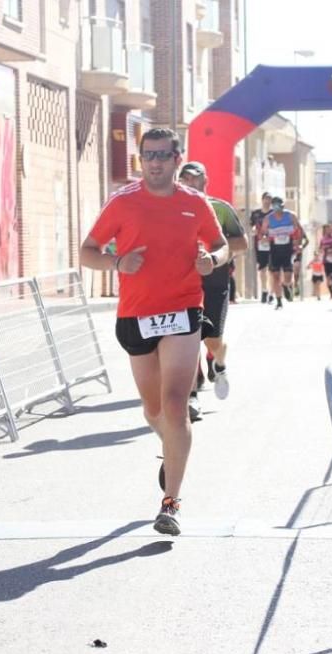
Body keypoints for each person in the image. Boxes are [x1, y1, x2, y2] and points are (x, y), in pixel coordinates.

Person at [79, 128, 227, 537]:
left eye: (163, 155)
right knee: (153, 410)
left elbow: (222, 245)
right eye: (149, 156)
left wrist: (210, 260)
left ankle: (171, 502)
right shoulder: (123, 203)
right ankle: (172, 448)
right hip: (136, 315)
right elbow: (87, 252)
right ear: (141, 160)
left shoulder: (195, 204)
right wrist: (117, 264)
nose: (156, 162)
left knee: (176, 405)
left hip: (183, 310)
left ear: (178, 159)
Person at [177, 161, 248, 419]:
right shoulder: (173, 209)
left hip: (216, 281)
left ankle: (216, 360)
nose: (188, 182)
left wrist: (214, 249)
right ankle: (192, 394)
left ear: (204, 181)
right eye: (183, 178)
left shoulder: (220, 209)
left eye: (193, 178)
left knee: (213, 339)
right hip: (184, 283)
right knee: (188, 335)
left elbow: (242, 243)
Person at [265, 195, 306, 310]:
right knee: (276, 276)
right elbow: (262, 232)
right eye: (276, 207)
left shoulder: (291, 216)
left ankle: (286, 285)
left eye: (281, 207)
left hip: (288, 248)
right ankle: (279, 301)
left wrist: (299, 243)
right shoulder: (268, 219)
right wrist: (264, 237)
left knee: (288, 276)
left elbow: (300, 230)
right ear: (273, 207)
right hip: (275, 249)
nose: (279, 210)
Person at [250, 192, 274, 304]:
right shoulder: (255, 214)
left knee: (273, 269)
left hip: (273, 244)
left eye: (270, 199)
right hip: (260, 244)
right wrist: (254, 230)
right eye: (266, 199)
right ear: (262, 199)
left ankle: (272, 293)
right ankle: (264, 290)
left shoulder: (274, 213)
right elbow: (251, 226)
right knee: (262, 268)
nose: (267, 201)